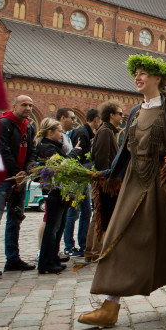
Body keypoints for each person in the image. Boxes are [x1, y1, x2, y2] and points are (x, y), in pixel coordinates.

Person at [77, 54, 166, 328]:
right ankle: (110, 305)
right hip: (132, 185)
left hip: (162, 187)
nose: (137, 77)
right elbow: (125, 152)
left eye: (143, 74)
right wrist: (105, 174)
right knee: (119, 235)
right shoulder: (136, 112)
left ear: (158, 79)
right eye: (135, 73)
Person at [0, 95, 38, 278]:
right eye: (24, 105)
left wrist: (28, 170)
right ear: (14, 106)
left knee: (15, 219)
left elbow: (32, 151)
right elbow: (1, 149)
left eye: (30, 105)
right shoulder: (3, 124)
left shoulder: (29, 126)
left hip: (19, 180)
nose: (28, 108)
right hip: (2, 179)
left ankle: (13, 259)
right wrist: (16, 172)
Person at [35, 118, 82, 274]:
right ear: (50, 132)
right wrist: (75, 152)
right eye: (59, 131)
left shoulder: (53, 146)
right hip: (53, 192)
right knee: (52, 227)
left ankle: (53, 258)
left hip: (59, 192)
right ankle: (46, 262)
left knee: (59, 226)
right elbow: (61, 166)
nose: (61, 134)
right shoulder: (47, 147)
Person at [83, 101, 121, 264]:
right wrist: (106, 180)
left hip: (105, 179)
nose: (122, 117)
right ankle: (95, 251)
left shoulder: (107, 131)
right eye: (120, 113)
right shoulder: (105, 131)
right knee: (101, 215)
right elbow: (102, 158)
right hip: (105, 181)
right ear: (111, 115)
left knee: (99, 215)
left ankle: (92, 251)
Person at [64, 108, 100, 257]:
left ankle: (83, 244)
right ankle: (69, 246)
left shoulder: (86, 134)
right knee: (73, 213)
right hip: (78, 180)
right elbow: (77, 159)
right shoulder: (82, 133)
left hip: (83, 179)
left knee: (85, 212)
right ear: (96, 119)